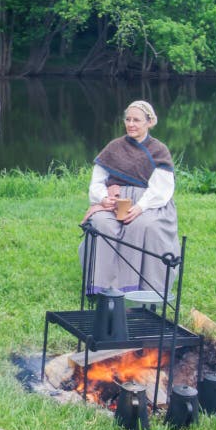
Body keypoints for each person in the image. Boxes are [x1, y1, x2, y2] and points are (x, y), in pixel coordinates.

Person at [80, 100, 179, 295]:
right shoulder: (114, 147)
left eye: (137, 120)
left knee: (142, 226)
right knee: (102, 223)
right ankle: (101, 287)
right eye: (128, 119)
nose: (131, 124)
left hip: (149, 205)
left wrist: (140, 207)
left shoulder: (159, 150)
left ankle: (145, 289)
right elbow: (98, 181)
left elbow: (161, 189)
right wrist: (103, 198)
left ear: (149, 123)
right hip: (114, 203)